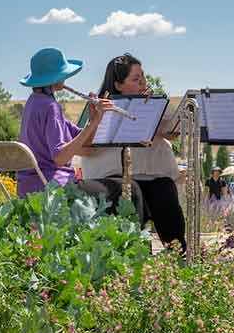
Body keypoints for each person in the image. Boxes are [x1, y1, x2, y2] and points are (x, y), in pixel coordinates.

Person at [79, 53, 188, 252]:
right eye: (136, 79)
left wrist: (156, 110)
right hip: (113, 176)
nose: (142, 83)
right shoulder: (98, 107)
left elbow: (172, 132)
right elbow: (83, 148)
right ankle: (136, 258)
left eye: (143, 78)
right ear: (118, 85)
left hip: (153, 175)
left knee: (165, 193)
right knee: (130, 196)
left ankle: (178, 255)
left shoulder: (153, 104)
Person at [16, 47, 115, 197]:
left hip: (27, 187)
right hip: (52, 188)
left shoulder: (33, 102)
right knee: (124, 189)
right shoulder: (50, 106)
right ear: (54, 77)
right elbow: (60, 158)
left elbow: (84, 142)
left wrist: (92, 118)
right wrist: (93, 123)